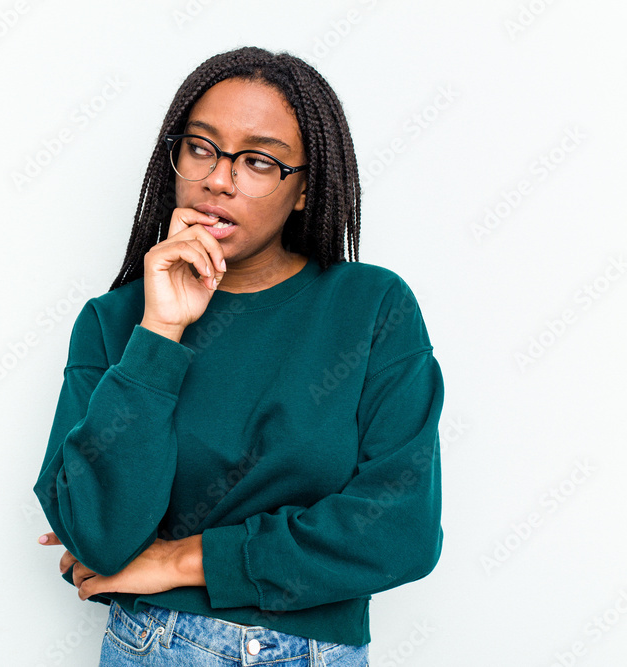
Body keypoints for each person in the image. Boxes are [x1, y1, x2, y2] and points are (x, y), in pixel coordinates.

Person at [33, 45, 444, 666]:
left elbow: (400, 530)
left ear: (305, 190)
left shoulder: (371, 307)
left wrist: (180, 558)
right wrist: (160, 333)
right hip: (158, 647)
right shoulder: (117, 322)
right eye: (200, 147)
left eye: (257, 161)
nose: (217, 178)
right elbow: (98, 536)